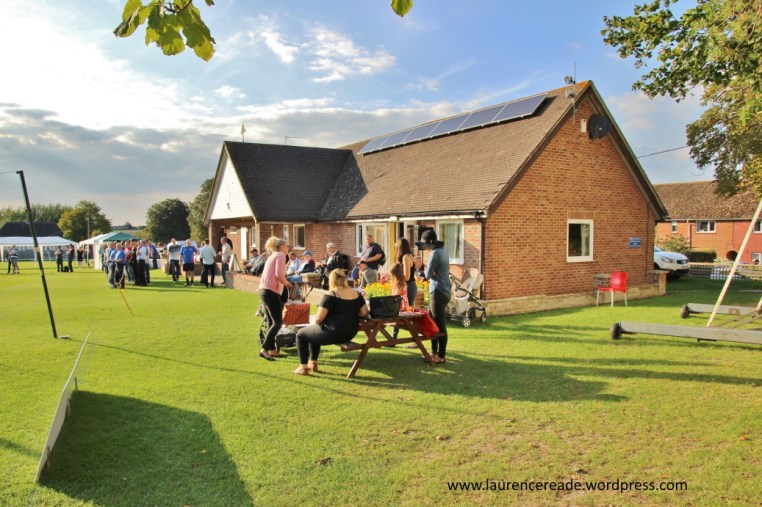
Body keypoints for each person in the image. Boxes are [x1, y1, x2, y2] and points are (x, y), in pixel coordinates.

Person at [293, 268, 369, 375]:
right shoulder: (356, 294)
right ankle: (313, 363)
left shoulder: (330, 295)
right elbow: (364, 312)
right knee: (313, 330)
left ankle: (303, 368)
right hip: (350, 333)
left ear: (332, 280)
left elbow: (319, 319)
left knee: (301, 334)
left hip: (333, 333)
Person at [258, 236, 293, 361]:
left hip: (264, 290)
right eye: (287, 245)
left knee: (271, 322)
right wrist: (287, 284)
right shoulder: (280, 255)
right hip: (270, 291)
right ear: (281, 246)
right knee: (278, 322)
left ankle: (272, 349)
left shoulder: (272, 256)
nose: (288, 248)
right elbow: (279, 275)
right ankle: (264, 349)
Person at [419, 229, 450, 364]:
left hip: (438, 292)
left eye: (425, 244)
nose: (424, 247)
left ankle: (441, 356)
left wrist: (429, 272)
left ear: (430, 243)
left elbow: (426, 274)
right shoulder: (443, 251)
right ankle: (433, 352)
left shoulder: (435, 253)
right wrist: (433, 273)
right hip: (444, 291)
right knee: (432, 322)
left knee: (439, 325)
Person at [396, 237, 417, 308]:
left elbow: (407, 277)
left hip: (408, 286)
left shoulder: (406, 257)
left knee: (408, 310)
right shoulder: (410, 256)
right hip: (411, 285)